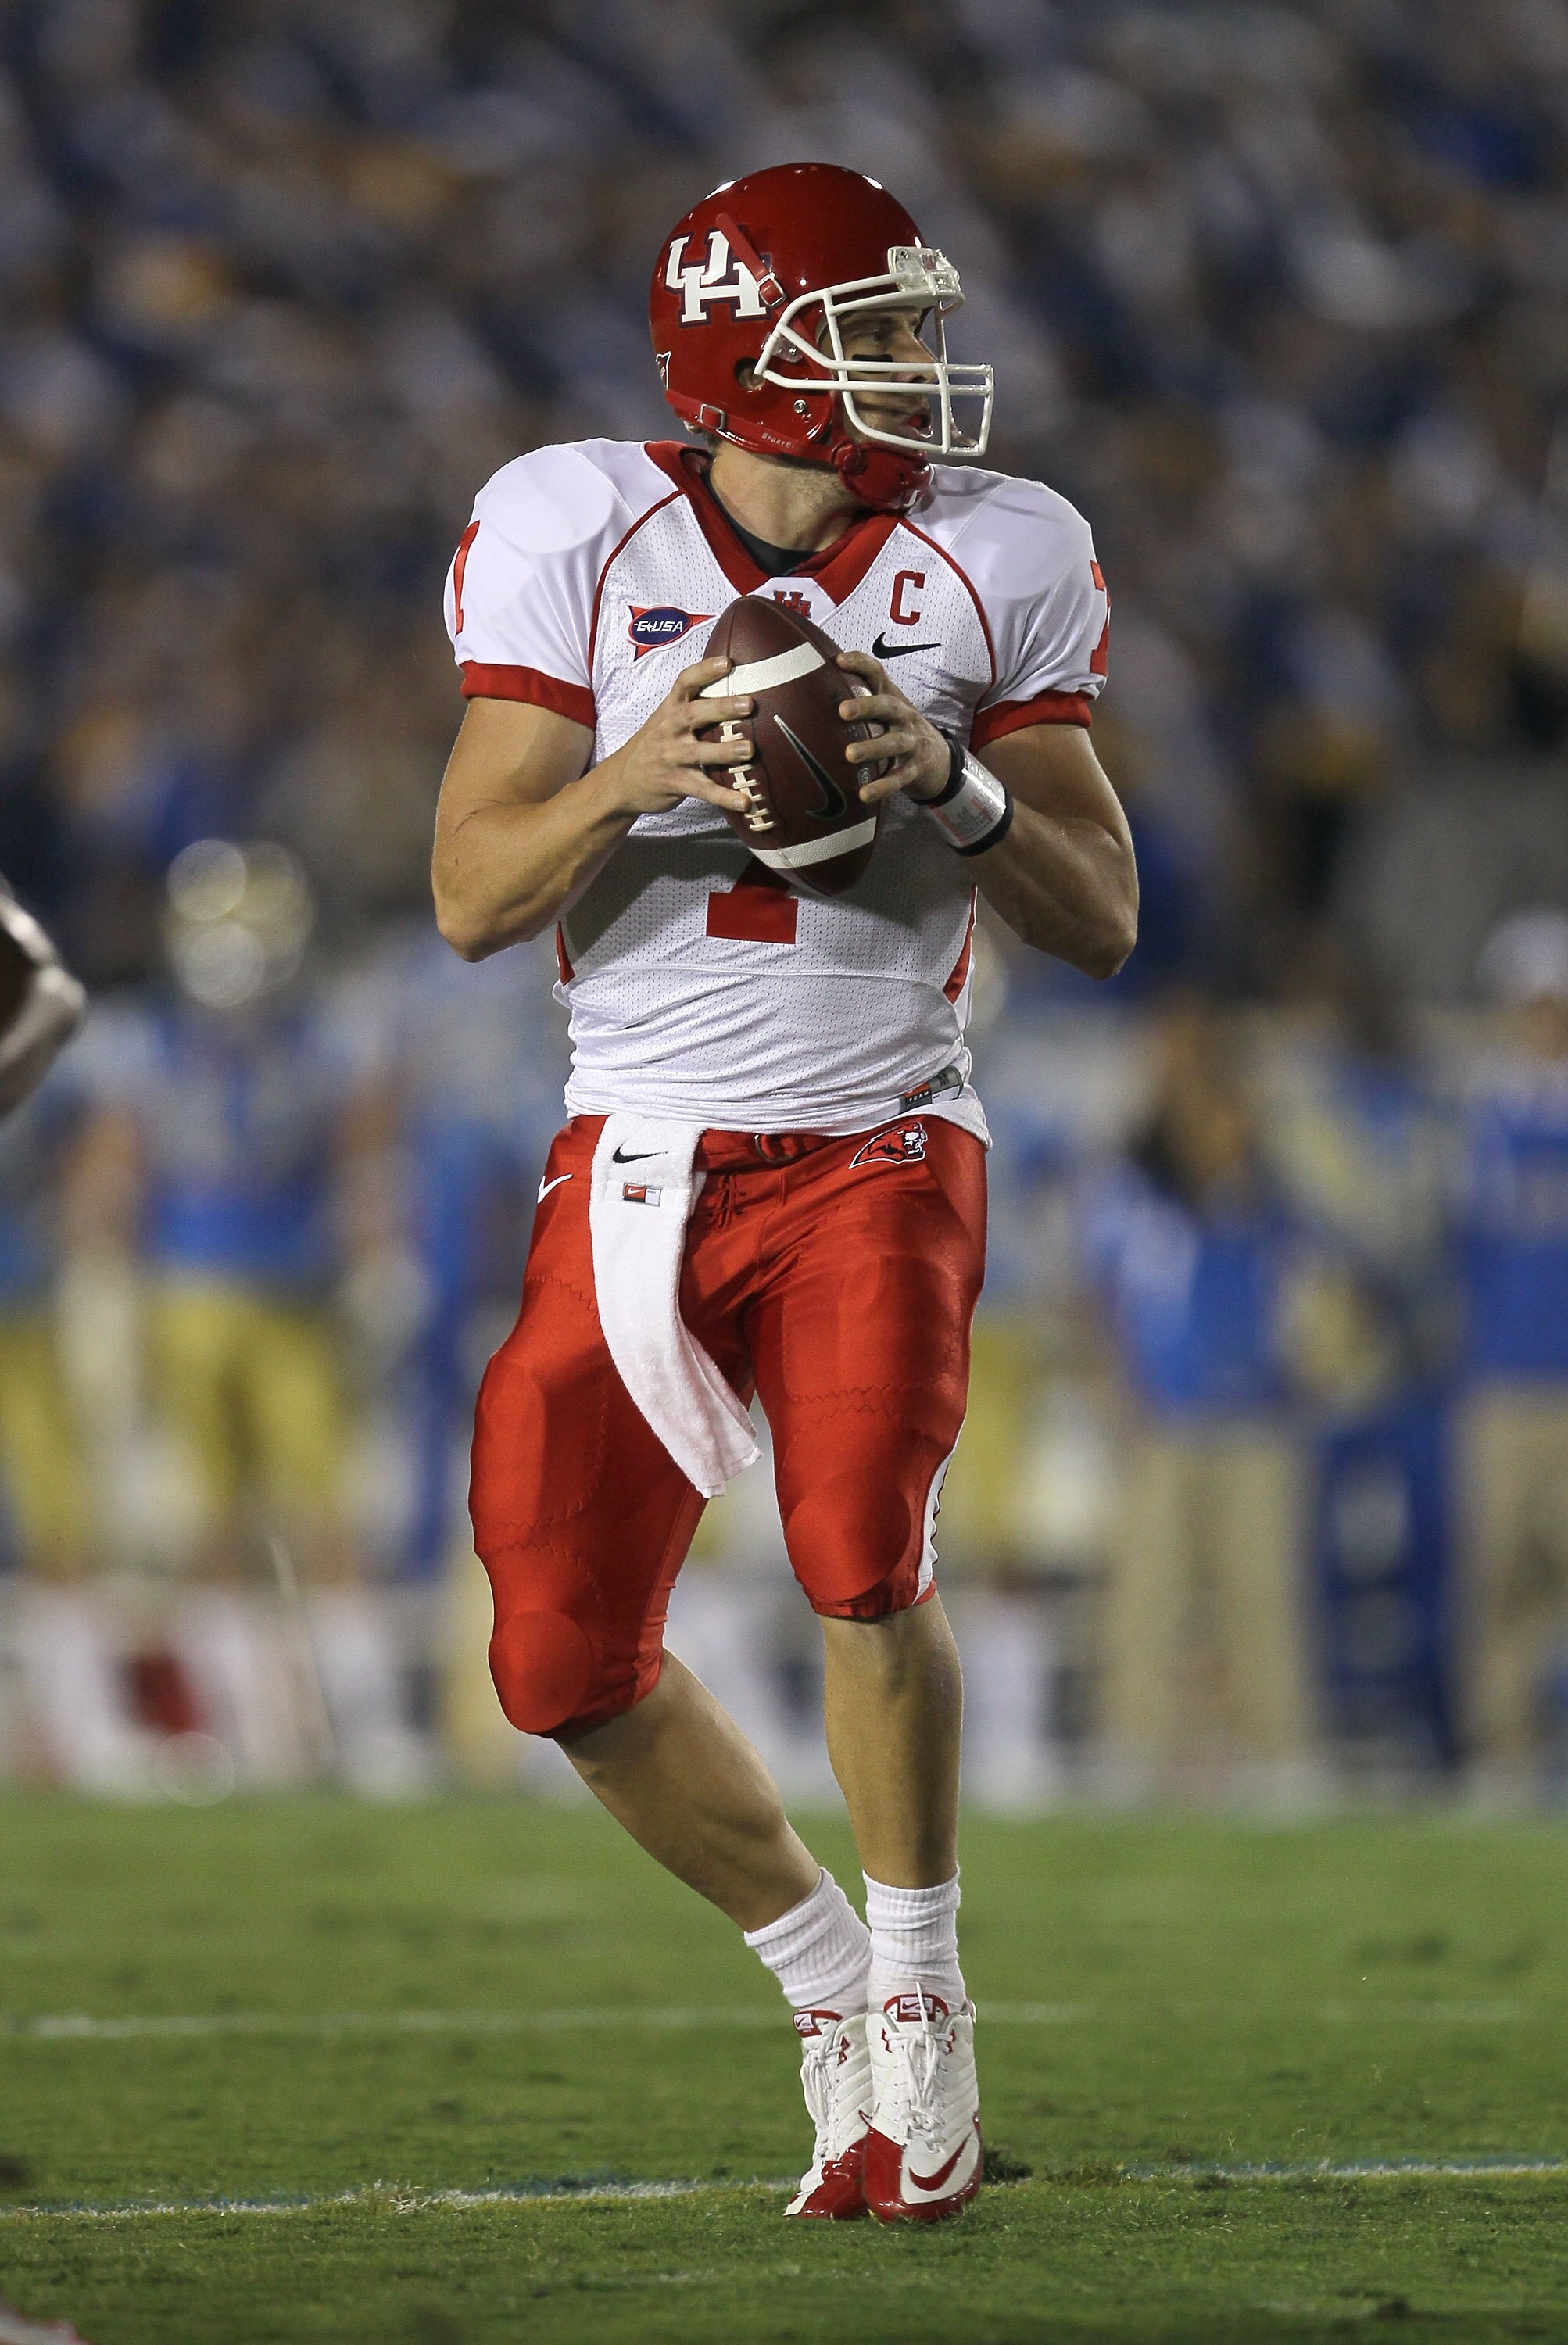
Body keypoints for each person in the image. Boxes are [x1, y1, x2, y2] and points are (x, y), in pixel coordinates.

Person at [431, 162, 1137, 2224]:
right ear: (749, 358)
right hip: (639, 1151)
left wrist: (963, 784)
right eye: (876, 332)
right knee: (560, 1662)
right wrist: (641, 763)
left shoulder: (1005, 551)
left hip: (883, 1141)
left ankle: (919, 1999)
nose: (918, 369)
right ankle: (822, 1975)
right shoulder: (578, 522)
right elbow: (473, 890)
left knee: (859, 1554)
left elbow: (1096, 914)